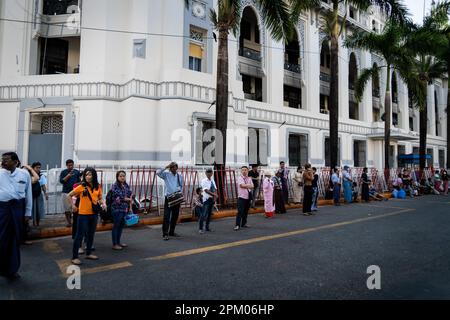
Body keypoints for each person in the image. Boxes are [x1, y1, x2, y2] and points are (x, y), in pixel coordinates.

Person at [0, 152, 33, 280]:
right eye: (2, 160)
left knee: (14, 240)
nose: (3, 162)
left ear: (15, 162)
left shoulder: (24, 174)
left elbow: (28, 193)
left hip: (18, 209)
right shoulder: (0, 173)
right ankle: (1, 268)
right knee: (1, 239)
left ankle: (12, 270)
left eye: (6, 160)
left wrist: (28, 212)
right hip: (2, 210)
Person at [66, 168, 105, 265]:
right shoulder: (81, 186)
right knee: (79, 236)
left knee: (91, 234)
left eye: (90, 174)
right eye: (86, 175)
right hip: (83, 215)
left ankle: (88, 253)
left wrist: (102, 203)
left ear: (94, 176)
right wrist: (73, 206)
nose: (88, 176)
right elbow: (69, 195)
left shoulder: (97, 186)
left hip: (94, 214)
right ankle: (74, 257)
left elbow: (99, 197)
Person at [157, 162, 184, 241]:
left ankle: (172, 232)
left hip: (177, 198)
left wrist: (180, 194)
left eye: (175, 167)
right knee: (166, 216)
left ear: (177, 168)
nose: (173, 168)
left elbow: (181, 185)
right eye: (171, 167)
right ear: (170, 168)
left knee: (175, 216)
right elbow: (158, 172)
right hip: (168, 198)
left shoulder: (180, 176)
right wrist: (166, 167)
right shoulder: (166, 175)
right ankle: (165, 234)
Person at [110, 171, 132, 250]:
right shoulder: (115, 186)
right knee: (116, 226)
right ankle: (114, 244)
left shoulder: (126, 185)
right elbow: (119, 197)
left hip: (124, 208)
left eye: (124, 176)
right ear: (117, 177)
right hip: (116, 209)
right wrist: (127, 199)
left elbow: (130, 194)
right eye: (120, 176)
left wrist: (130, 206)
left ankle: (118, 242)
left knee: (121, 226)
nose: (122, 177)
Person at [59, 159, 81, 227]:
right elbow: (61, 181)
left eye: (72, 165)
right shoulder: (63, 172)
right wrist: (68, 175)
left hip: (75, 193)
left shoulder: (76, 172)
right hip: (66, 192)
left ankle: (75, 222)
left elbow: (79, 182)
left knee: (75, 208)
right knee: (67, 209)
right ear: (66, 165)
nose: (70, 166)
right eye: (69, 165)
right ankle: (69, 222)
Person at [235, 166, 254, 231]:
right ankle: (237, 225)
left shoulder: (249, 178)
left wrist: (247, 185)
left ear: (247, 171)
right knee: (240, 212)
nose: (244, 171)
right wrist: (248, 185)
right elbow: (241, 185)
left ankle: (244, 223)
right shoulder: (240, 178)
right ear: (241, 171)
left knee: (246, 211)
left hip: (248, 197)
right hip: (241, 197)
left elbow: (252, 186)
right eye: (243, 170)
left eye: (245, 170)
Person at [199, 169, 217, 234]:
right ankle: (200, 228)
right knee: (203, 214)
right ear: (206, 173)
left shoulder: (212, 180)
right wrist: (215, 194)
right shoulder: (204, 181)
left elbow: (215, 189)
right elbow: (206, 190)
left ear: (212, 173)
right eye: (208, 172)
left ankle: (207, 227)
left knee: (209, 214)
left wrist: (215, 197)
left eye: (210, 172)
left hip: (211, 199)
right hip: (206, 199)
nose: (209, 173)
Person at [31, 162, 47, 227]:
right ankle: (33, 222)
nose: (38, 169)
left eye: (39, 168)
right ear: (33, 168)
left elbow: (43, 185)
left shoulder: (41, 176)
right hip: (31, 195)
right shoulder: (29, 175)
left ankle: (37, 223)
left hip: (38, 195)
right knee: (32, 209)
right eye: (37, 167)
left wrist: (45, 193)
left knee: (38, 209)